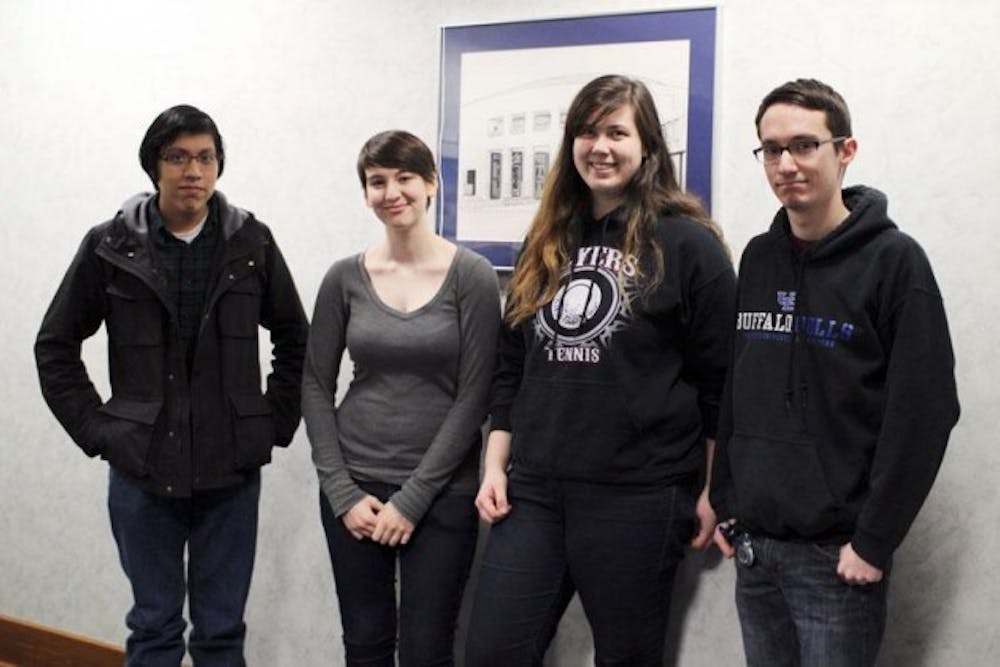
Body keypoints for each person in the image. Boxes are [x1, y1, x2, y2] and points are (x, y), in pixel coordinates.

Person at [464, 74, 735, 666]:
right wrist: (495, 467)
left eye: (617, 132)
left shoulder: (689, 245)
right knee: (491, 653)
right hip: (534, 491)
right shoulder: (546, 239)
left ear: (648, 147)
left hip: (639, 495)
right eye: (587, 133)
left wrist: (714, 489)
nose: (600, 147)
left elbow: (723, 384)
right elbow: (511, 366)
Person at [34, 105, 308, 665]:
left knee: (221, 631)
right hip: (142, 469)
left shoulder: (251, 242)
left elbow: (295, 339)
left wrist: (272, 423)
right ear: (154, 166)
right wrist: (99, 430)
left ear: (219, 165)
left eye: (205, 157)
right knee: (154, 627)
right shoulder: (111, 245)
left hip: (230, 472)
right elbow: (55, 346)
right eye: (178, 157)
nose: (193, 171)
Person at [710, 78, 960, 666]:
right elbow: (738, 388)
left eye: (804, 145)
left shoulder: (894, 262)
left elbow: (925, 412)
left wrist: (874, 540)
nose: (786, 164)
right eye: (772, 149)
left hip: (837, 559)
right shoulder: (759, 257)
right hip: (755, 550)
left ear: (846, 150)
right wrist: (726, 498)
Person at [301, 130, 500, 666]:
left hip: (441, 493)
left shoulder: (473, 277)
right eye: (377, 181)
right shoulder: (344, 278)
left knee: (425, 650)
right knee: (364, 644)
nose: (392, 192)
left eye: (405, 177)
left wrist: (411, 500)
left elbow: (475, 396)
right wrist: (341, 491)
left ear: (431, 183)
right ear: (365, 193)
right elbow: (315, 384)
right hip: (355, 488)